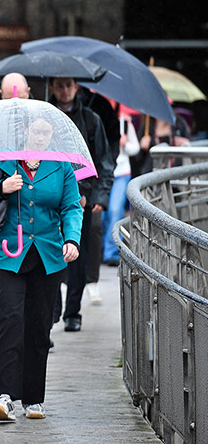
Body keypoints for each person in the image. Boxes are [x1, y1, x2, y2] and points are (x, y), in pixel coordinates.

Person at [0, 117, 83, 421]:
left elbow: (72, 206)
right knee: (9, 320)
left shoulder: (61, 165)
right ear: (26, 131)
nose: (42, 136)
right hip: (5, 257)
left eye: (47, 132)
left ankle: (33, 399)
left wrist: (72, 239)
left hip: (46, 256)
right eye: (37, 131)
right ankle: (3, 397)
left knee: (38, 326)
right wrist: (1, 188)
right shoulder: (1, 160)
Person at [48, 77, 114, 332]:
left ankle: (72, 312)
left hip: (81, 198)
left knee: (77, 254)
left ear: (76, 88)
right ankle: (53, 310)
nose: (65, 91)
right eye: (60, 85)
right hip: (50, 198)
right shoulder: (46, 117)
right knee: (51, 252)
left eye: (69, 85)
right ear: (52, 88)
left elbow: (102, 161)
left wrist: (98, 196)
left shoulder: (91, 119)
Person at [78, 90, 121, 302]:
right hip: (64, 181)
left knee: (94, 228)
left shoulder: (99, 109)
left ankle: (91, 280)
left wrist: (101, 190)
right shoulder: (52, 106)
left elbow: (110, 145)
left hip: (92, 182)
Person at [102, 115, 140, 267]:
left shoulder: (125, 122)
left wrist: (125, 145)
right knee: (103, 213)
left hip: (121, 173)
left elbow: (135, 148)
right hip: (105, 172)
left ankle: (112, 251)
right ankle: (103, 249)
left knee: (115, 210)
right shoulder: (100, 119)